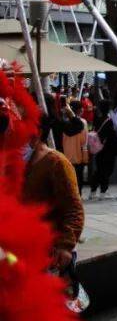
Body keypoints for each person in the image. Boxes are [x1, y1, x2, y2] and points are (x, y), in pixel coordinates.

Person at [22, 114, 84, 279]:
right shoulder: (12, 164)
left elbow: (73, 209)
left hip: (51, 253)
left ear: (37, 132)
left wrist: (65, 246)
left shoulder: (56, 163)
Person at [59, 103, 89, 199]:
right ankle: (78, 195)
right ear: (79, 110)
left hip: (65, 154)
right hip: (78, 153)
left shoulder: (63, 123)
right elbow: (84, 140)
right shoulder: (83, 122)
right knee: (78, 177)